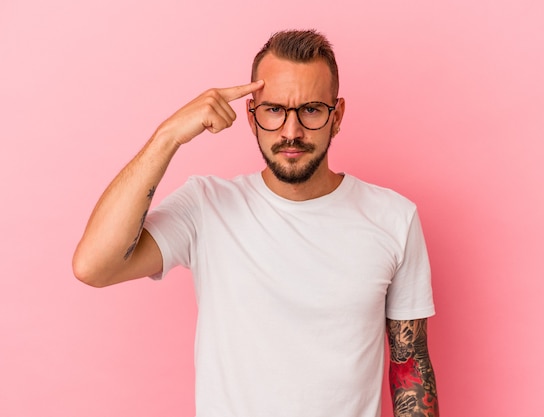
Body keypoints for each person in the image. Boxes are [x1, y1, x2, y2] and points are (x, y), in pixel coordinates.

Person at [73, 29, 438, 417]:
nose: (291, 131)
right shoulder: (206, 206)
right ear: (252, 116)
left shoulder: (394, 218)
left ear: (338, 116)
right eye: (274, 110)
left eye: (311, 109)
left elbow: (410, 369)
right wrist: (168, 137)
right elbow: (94, 266)